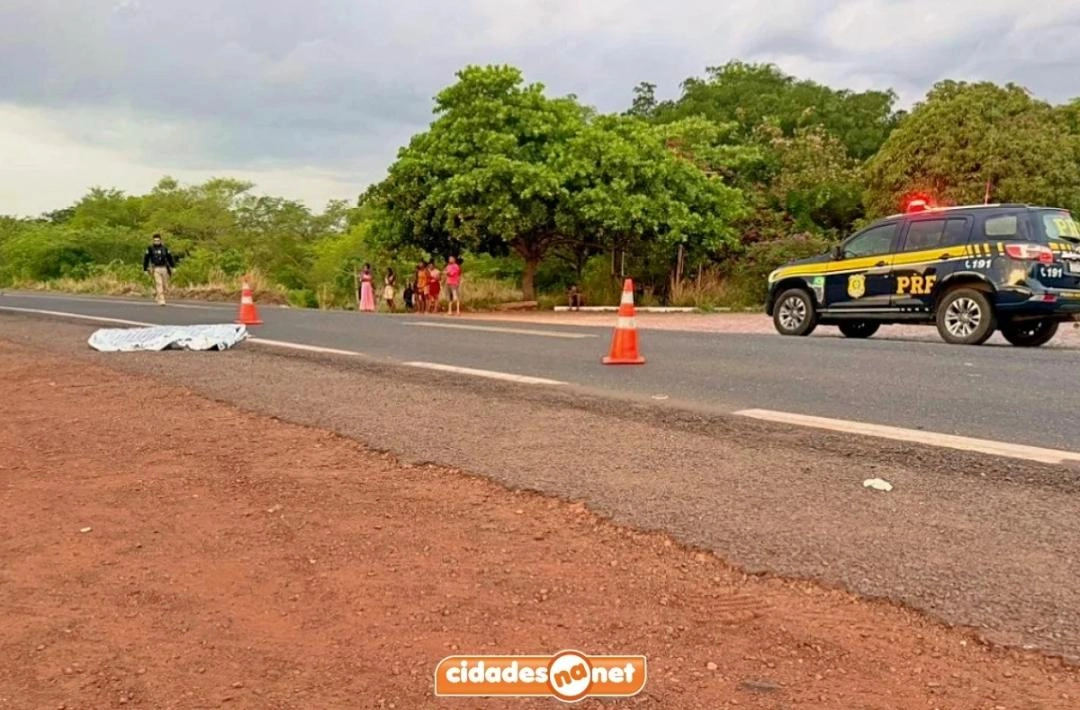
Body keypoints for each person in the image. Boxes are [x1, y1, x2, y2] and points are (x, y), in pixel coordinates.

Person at [142, 233, 176, 306]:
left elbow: (170, 258)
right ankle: (162, 299)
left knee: (165, 285)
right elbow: (146, 259)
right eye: (155, 240)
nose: (156, 242)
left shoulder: (165, 248)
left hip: (164, 268)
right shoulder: (150, 248)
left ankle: (158, 295)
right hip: (156, 268)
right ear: (153, 241)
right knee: (159, 284)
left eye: (158, 240)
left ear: (160, 240)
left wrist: (173, 267)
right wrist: (145, 269)